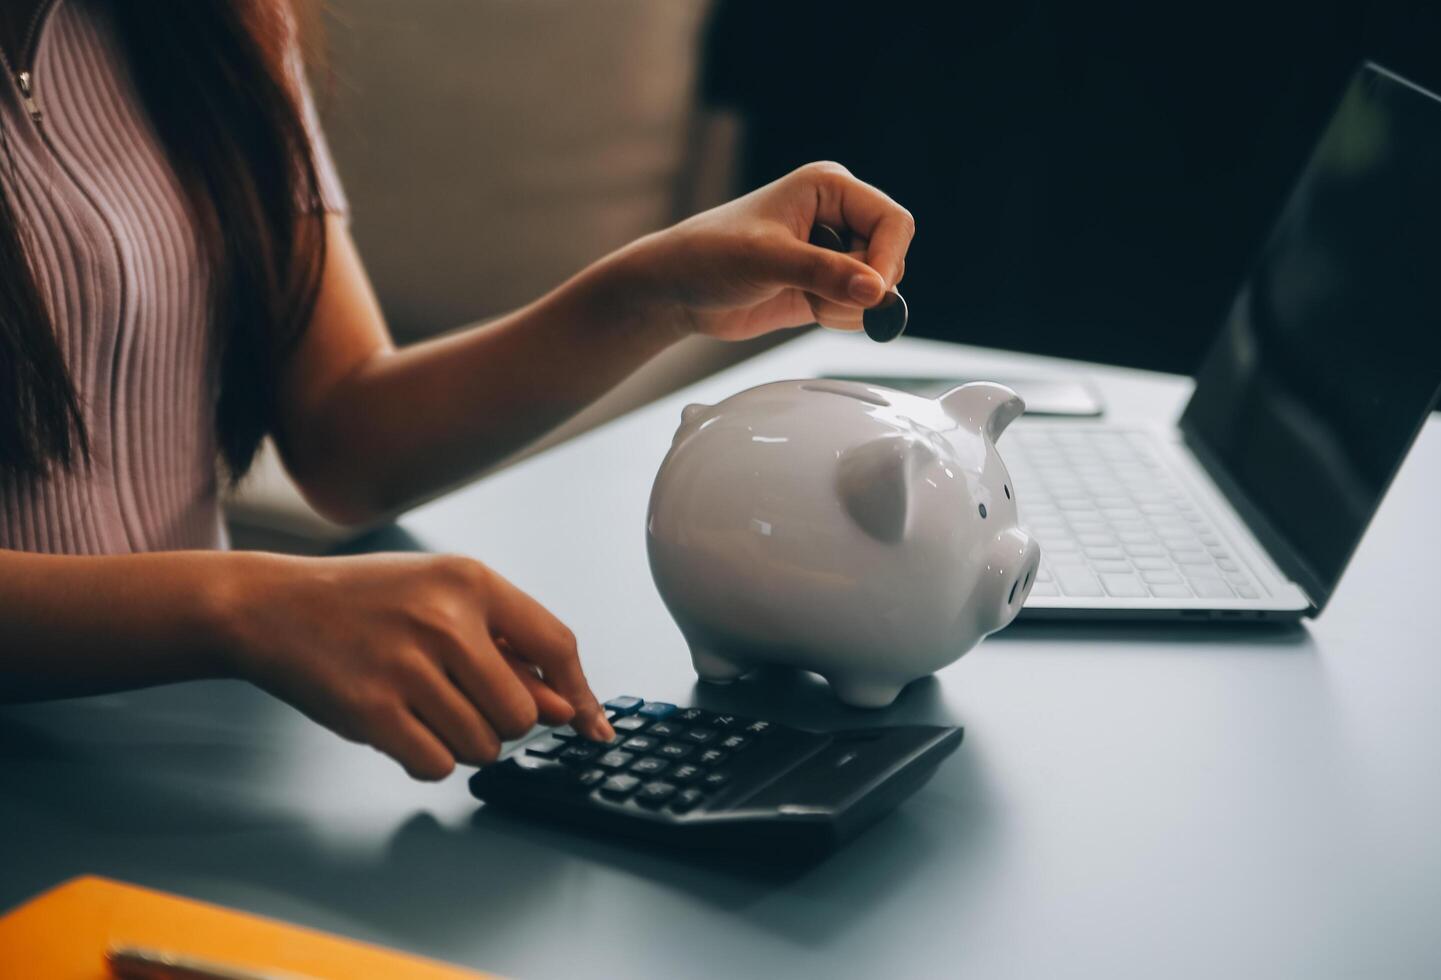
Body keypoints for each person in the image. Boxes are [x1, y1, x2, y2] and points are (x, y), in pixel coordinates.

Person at [0, 0, 914, 780]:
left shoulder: (218, 20)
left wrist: (659, 291)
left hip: (189, 763)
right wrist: (242, 607)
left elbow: (349, 436)